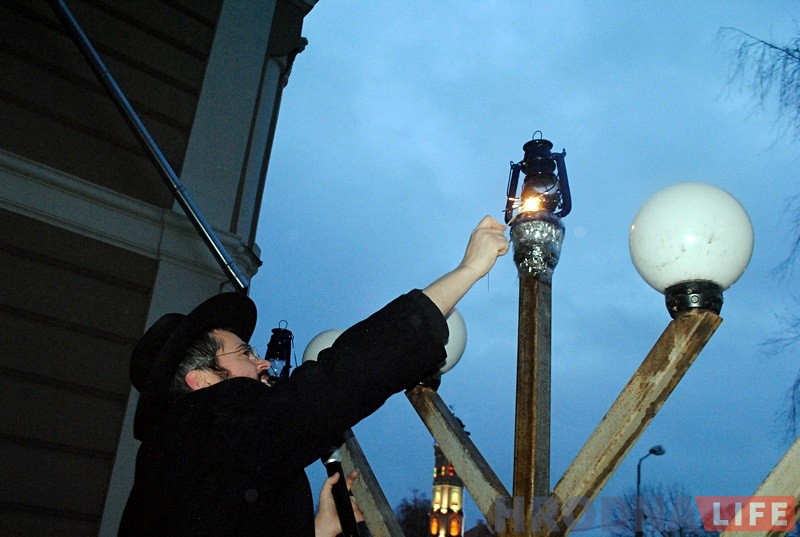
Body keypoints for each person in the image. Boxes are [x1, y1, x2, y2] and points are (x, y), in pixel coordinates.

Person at [119, 216, 509, 536]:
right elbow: (340, 380)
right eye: (245, 353)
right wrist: (467, 271)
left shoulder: (181, 460)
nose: (264, 363)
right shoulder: (208, 419)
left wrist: (318, 529)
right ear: (201, 381)